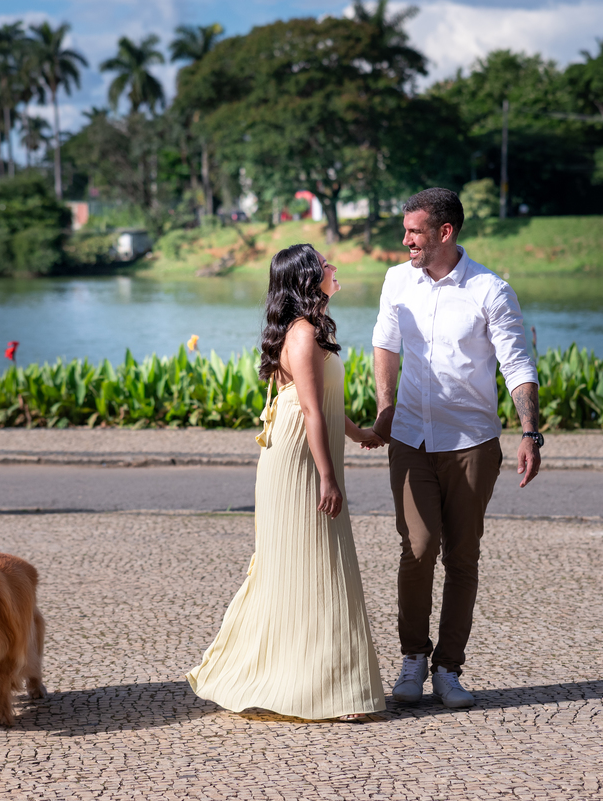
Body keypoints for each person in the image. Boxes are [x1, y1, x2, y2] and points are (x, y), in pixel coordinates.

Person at [187, 243, 387, 722]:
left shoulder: (310, 330)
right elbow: (313, 410)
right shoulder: (302, 333)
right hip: (299, 465)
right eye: (324, 264)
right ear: (306, 278)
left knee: (317, 565)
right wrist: (328, 477)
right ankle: (329, 692)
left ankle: (326, 683)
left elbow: (322, 401)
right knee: (317, 566)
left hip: (304, 453)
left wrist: (363, 434)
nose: (333, 267)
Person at [371, 188, 541, 709]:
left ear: (445, 233)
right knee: (418, 549)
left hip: (470, 442)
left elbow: (516, 364)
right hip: (409, 440)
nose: (405, 241)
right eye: (405, 231)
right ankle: (412, 658)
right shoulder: (397, 280)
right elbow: (385, 342)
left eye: (415, 232)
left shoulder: (491, 290)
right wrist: (385, 407)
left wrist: (530, 430)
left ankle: (448, 668)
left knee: (462, 556)